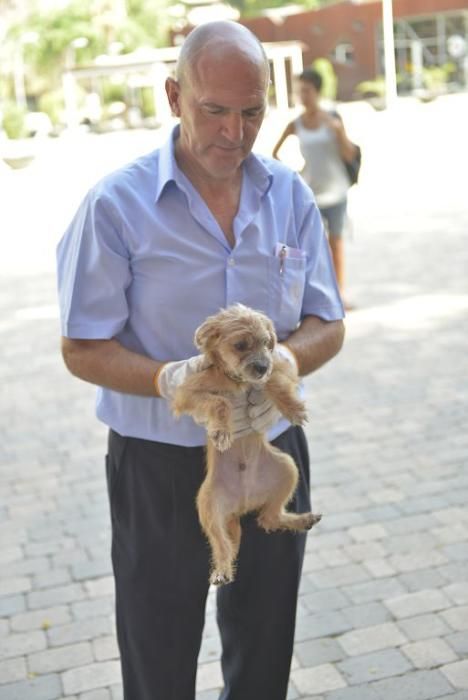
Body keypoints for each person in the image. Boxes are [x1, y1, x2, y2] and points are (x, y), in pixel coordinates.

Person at [57, 21, 345, 700]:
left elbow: (327, 323)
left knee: (264, 653)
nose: (234, 133)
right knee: (158, 655)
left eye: (251, 113)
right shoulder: (116, 206)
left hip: (271, 448)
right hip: (159, 463)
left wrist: (279, 366)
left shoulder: (291, 196)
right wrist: (169, 377)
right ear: (173, 96)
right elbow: (81, 346)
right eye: (214, 110)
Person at [272, 68, 358, 310]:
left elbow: (350, 154)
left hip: (337, 191)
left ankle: (340, 294)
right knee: (311, 249)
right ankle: (316, 297)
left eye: (307, 90)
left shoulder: (332, 120)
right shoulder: (295, 124)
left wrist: (339, 133)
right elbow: (275, 153)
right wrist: (295, 174)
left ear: (317, 91)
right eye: (300, 91)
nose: (303, 95)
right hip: (310, 195)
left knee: (336, 244)